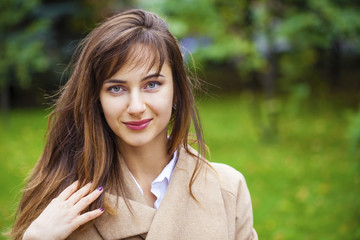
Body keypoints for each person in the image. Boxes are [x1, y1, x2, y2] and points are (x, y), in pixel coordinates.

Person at [10, 9, 258, 240]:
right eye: (116, 88)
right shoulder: (63, 200)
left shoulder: (227, 189)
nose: (136, 107)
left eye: (152, 84)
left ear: (177, 91)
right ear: (97, 99)